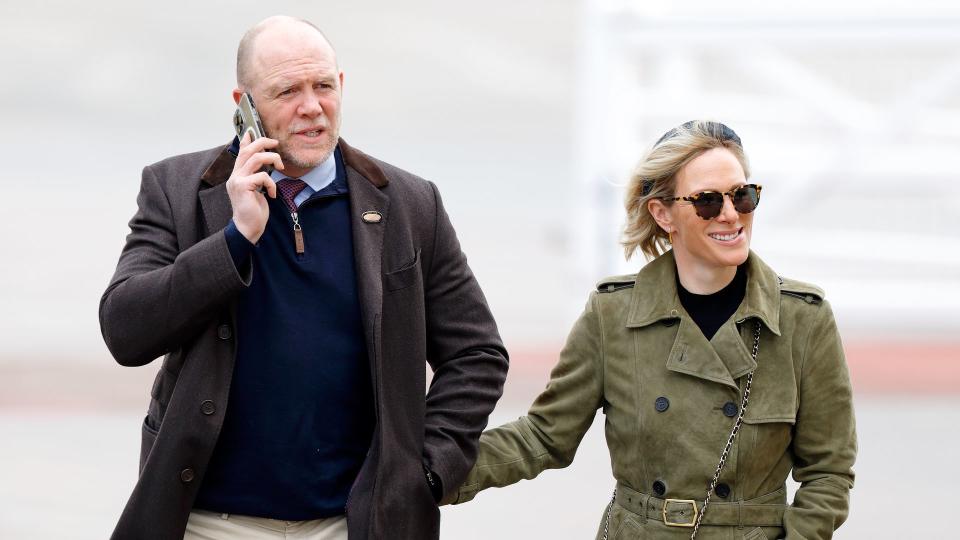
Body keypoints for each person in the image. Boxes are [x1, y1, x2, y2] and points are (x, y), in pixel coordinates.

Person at [99, 15, 507, 540]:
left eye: (323, 86)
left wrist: (422, 472)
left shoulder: (410, 203)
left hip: (354, 524)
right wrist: (235, 238)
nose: (312, 107)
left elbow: (477, 354)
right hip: (207, 521)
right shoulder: (177, 189)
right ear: (243, 104)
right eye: (287, 90)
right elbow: (125, 330)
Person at [444, 121, 857, 539]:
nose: (731, 215)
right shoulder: (614, 315)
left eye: (743, 195)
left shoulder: (802, 318)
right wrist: (428, 472)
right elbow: (543, 436)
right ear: (662, 214)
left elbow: (828, 472)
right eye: (708, 202)